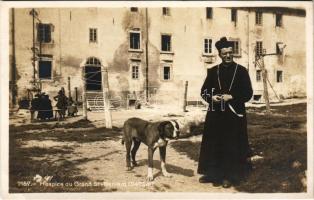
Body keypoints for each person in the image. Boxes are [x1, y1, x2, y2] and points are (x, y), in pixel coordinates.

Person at [197, 37, 253, 188]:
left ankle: (230, 176)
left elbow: (248, 93)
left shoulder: (241, 71)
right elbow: (204, 92)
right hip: (215, 114)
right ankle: (213, 174)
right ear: (220, 55)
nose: (228, 56)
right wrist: (211, 97)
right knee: (214, 143)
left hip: (234, 115)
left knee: (231, 144)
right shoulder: (213, 71)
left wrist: (232, 96)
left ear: (233, 53)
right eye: (224, 53)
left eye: (230, 52)